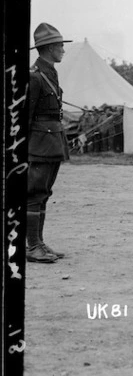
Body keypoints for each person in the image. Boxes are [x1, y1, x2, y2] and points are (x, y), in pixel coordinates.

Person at [26, 23, 72, 262]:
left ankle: (40, 243)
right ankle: (32, 247)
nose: (63, 50)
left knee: (44, 193)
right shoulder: (34, 77)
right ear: (50, 48)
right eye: (60, 46)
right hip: (38, 144)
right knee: (34, 193)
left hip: (51, 142)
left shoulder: (49, 72)